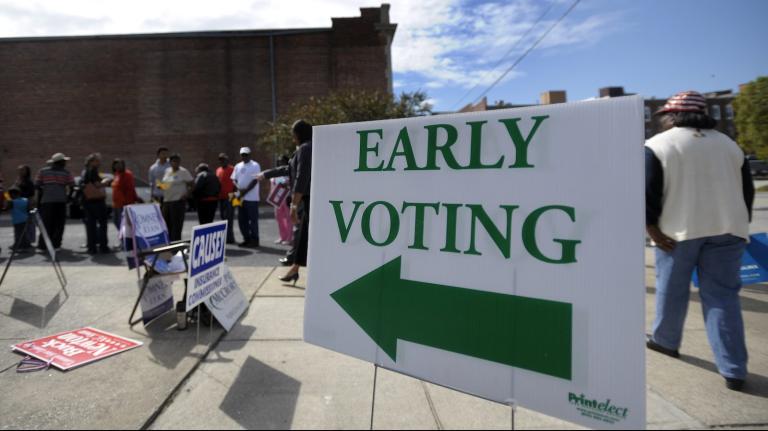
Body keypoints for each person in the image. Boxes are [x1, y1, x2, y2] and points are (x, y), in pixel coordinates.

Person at [645, 91, 754, 392]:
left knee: (671, 289)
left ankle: (666, 341)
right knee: (723, 297)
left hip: (676, 232)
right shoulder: (730, 145)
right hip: (728, 228)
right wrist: (739, 222)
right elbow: (746, 191)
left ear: (673, 116)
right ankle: (734, 369)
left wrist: (651, 228)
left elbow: (649, 191)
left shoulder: (658, 145)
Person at [258, 120, 312, 285]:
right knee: (303, 235)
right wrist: (266, 174)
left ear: (299, 134)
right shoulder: (307, 148)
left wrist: (294, 206)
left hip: (308, 200)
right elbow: (289, 169)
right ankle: (295, 268)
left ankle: (296, 268)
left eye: (293, 134)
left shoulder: (305, 148)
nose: (292, 138)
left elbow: (301, 177)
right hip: (307, 199)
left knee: (304, 235)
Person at [35, 153, 75, 250]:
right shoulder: (66, 173)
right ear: (60, 162)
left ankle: (43, 245)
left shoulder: (43, 171)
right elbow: (72, 186)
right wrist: (69, 197)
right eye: (64, 161)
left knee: (46, 224)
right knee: (59, 224)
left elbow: (37, 185)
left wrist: (45, 192)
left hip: (47, 201)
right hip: (60, 201)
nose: (65, 163)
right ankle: (56, 244)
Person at [231, 147, 261, 247]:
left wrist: (245, 191)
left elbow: (255, 180)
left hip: (252, 198)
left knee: (253, 220)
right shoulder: (238, 166)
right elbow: (234, 179)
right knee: (242, 220)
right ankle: (246, 239)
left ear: (249, 155)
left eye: (246, 154)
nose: (244, 156)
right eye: (242, 155)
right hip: (240, 197)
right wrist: (238, 188)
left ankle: (254, 240)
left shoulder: (255, 165)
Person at [81, 153, 110, 254]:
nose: (99, 163)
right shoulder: (92, 170)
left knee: (91, 225)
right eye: (97, 161)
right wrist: (105, 182)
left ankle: (92, 247)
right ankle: (103, 246)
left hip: (88, 201)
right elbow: (97, 184)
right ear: (91, 162)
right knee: (102, 224)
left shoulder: (85, 171)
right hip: (97, 201)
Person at [161, 154, 194, 241]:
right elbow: (165, 184)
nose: (176, 163)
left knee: (176, 225)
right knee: (166, 224)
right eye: (174, 161)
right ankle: (168, 243)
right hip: (167, 201)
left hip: (177, 201)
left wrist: (186, 194)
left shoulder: (183, 172)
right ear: (170, 162)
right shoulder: (167, 171)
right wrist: (161, 186)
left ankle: (176, 244)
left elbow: (192, 184)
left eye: (178, 161)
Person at [111, 159, 140, 230]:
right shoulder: (117, 174)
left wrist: (131, 201)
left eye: (119, 164)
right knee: (116, 221)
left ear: (123, 165)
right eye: (116, 165)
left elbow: (130, 188)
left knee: (122, 223)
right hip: (116, 203)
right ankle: (123, 234)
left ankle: (125, 236)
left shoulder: (127, 174)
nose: (118, 166)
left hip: (124, 204)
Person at [271, 156, 293, 245]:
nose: (281, 163)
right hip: (278, 198)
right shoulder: (276, 173)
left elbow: (294, 184)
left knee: (288, 218)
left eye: (283, 161)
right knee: (279, 217)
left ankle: (289, 238)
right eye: (279, 162)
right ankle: (282, 236)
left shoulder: (290, 172)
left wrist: (287, 184)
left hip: (287, 198)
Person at [216, 153, 236, 244]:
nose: (222, 161)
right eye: (220, 160)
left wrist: (235, 197)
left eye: (223, 160)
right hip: (221, 197)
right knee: (223, 217)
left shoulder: (232, 169)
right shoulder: (218, 170)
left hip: (230, 196)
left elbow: (236, 182)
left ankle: (230, 238)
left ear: (227, 160)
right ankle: (225, 237)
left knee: (229, 217)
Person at [14, 165, 36, 247]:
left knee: (26, 225)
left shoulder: (29, 182)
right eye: (19, 170)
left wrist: (30, 205)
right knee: (18, 225)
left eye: (22, 170)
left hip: (26, 205)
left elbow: (31, 194)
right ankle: (18, 242)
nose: (20, 172)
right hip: (17, 205)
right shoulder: (18, 181)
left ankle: (26, 242)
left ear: (27, 171)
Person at [7, 187, 32, 251]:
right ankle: (26, 244)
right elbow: (29, 209)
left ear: (13, 194)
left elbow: (7, 208)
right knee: (24, 233)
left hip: (17, 220)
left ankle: (19, 246)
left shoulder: (12, 202)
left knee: (18, 234)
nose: (10, 196)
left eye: (10, 195)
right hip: (25, 219)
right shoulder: (26, 200)